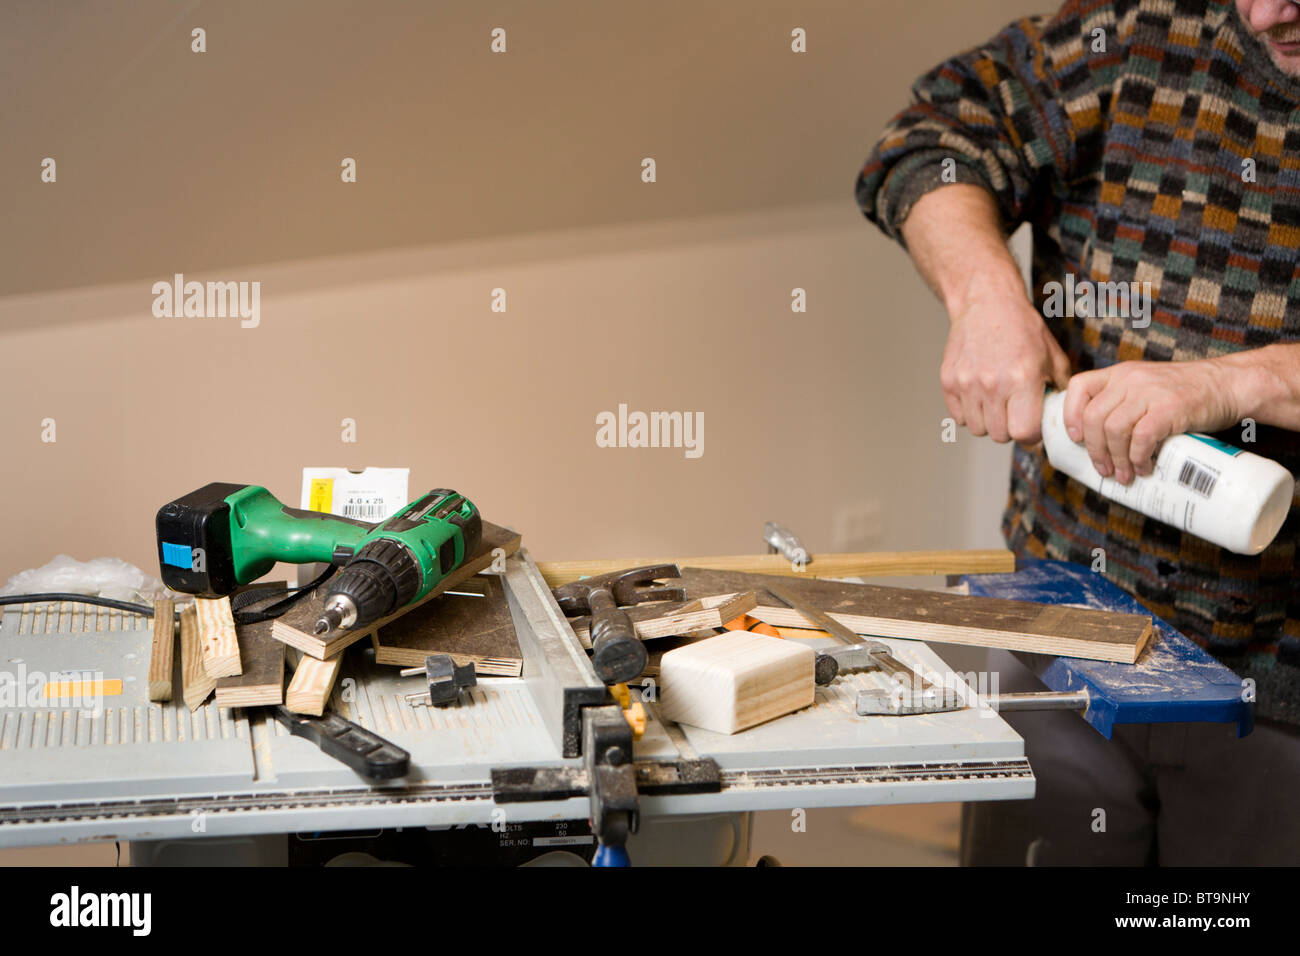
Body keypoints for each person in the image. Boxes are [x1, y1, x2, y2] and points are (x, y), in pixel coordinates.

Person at [857, 0, 1300, 864]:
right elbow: (928, 134)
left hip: (1278, 694)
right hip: (1063, 628)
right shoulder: (1134, 30)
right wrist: (984, 300)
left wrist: (1233, 382)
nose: (1272, 11)